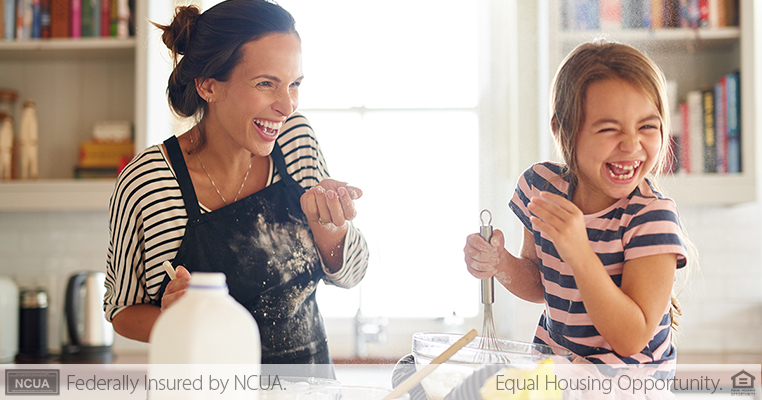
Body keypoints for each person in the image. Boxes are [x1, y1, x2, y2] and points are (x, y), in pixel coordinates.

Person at [104, 0, 368, 372]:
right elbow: (121, 310)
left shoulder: (296, 143)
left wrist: (332, 226)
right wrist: (175, 317)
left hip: (308, 389)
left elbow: (353, 274)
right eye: (266, 84)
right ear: (208, 85)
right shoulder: (150, 180)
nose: (287, 105)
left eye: (294, 85)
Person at [464, 40, 689, 374]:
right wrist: (500, 263)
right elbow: (542, 284)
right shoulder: (540, 188)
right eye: (609, 129)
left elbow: (631, 338)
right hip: (558, 372)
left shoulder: (651, 218)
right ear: (564, 132)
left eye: (647, 126)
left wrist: (579, 252)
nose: (631, 144)